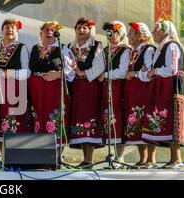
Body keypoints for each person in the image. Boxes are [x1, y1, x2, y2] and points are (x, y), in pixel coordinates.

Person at [143, 19, 184, 169]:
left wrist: (154, 71)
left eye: (156, 30)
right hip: (165, 86)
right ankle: (172, 160)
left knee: (173, 120)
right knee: (167, 120)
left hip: (173, 86)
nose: (153, 33)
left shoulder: (172, 45)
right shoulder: (162, 47)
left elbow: (172, 69)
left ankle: (177, 160)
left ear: (165, 31)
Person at [28, 21, 76, 161]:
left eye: (52, 30)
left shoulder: (63, 48)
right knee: (39, 118)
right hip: (37, 89)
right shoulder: (34, 49)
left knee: (56, 117)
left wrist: (58, 74)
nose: (49, 32)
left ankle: (57, 155)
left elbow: (72, 69)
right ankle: (40, 154)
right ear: (40, 33)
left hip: (55, 89)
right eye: (46, 30)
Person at [67, 18, 105, 168]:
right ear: (75, 29)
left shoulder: (96, 45)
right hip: (75, 88)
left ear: (90, 31)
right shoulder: (69, 46)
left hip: (90, 87)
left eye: (85, 28)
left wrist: (83, 73)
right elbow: (66, 64)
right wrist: (73, 74)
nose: (82, 30)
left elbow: (100, 65)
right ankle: (85, 159)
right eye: (79, 27)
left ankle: (89, 159)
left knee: (89, 119)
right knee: (79, 120)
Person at [0, 18, 30, 151]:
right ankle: (3, 158)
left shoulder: (21, 47)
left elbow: (27, 72)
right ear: (2, 31)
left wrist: (10, 73)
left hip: (16, 91)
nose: (9, 30)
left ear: (17, 31)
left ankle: (16, 156)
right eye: (6, 28)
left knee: (15, 122)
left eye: (12, 28)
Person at [98, 21, 131, 166]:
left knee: (118, 120)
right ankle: (112, 156)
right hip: (106, 89)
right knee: (108, 120)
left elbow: (122, 72)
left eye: (114, 32)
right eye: (109, 32)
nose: (110, 35)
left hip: (119, 89)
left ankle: (120, 157)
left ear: (121, 33)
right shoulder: (105, 50)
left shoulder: (126, 50)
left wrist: (105, 75)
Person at [124, 22, 156, 168]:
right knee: (135, 122)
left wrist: (135, 74)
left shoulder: (148, 49)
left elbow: (150, 72)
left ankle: (151, 159)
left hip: (144, 90)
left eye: (131, 33)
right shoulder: (134, 50)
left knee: (146, 121)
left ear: (140, 35)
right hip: (134, 91)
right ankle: (143, 159)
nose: (128, 35)